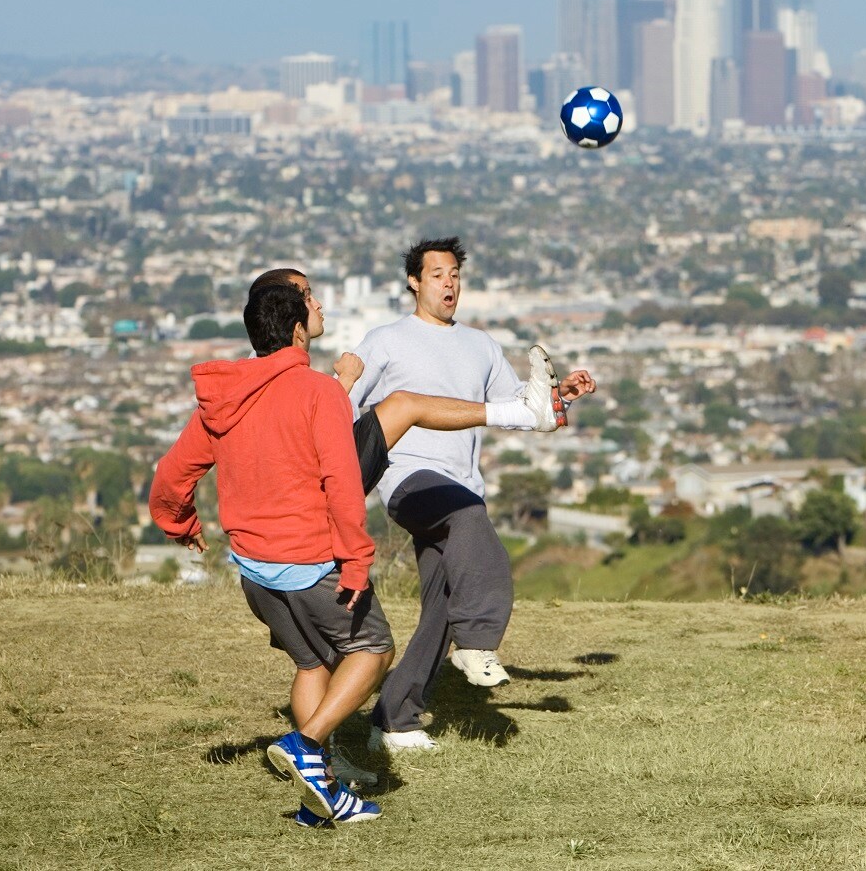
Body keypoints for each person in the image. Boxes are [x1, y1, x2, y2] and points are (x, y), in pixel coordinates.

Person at [149, 272, 562, 825]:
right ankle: (309, 744)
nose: (320, 304)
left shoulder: (223, 398)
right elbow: (342, 488)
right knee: (372, 649)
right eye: (311, 299)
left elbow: (174, 473)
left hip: (254, 569)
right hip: (310, 558)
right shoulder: (317, 390)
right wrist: (355, 561)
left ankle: (319, 793)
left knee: (312, 660)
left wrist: (179, 523)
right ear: (297, 327)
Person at [350, 237, 597, 754]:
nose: (449, 283)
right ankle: (480, 641)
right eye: (437, 274)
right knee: (469, 521)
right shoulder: (385, 340)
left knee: (442, 604)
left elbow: (520, 408)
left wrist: (560, 396)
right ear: (414, 282)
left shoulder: (481, 345)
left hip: (461, 482)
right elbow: (343, 407)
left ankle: (395, 720)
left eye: (455, 275)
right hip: (408, 479)